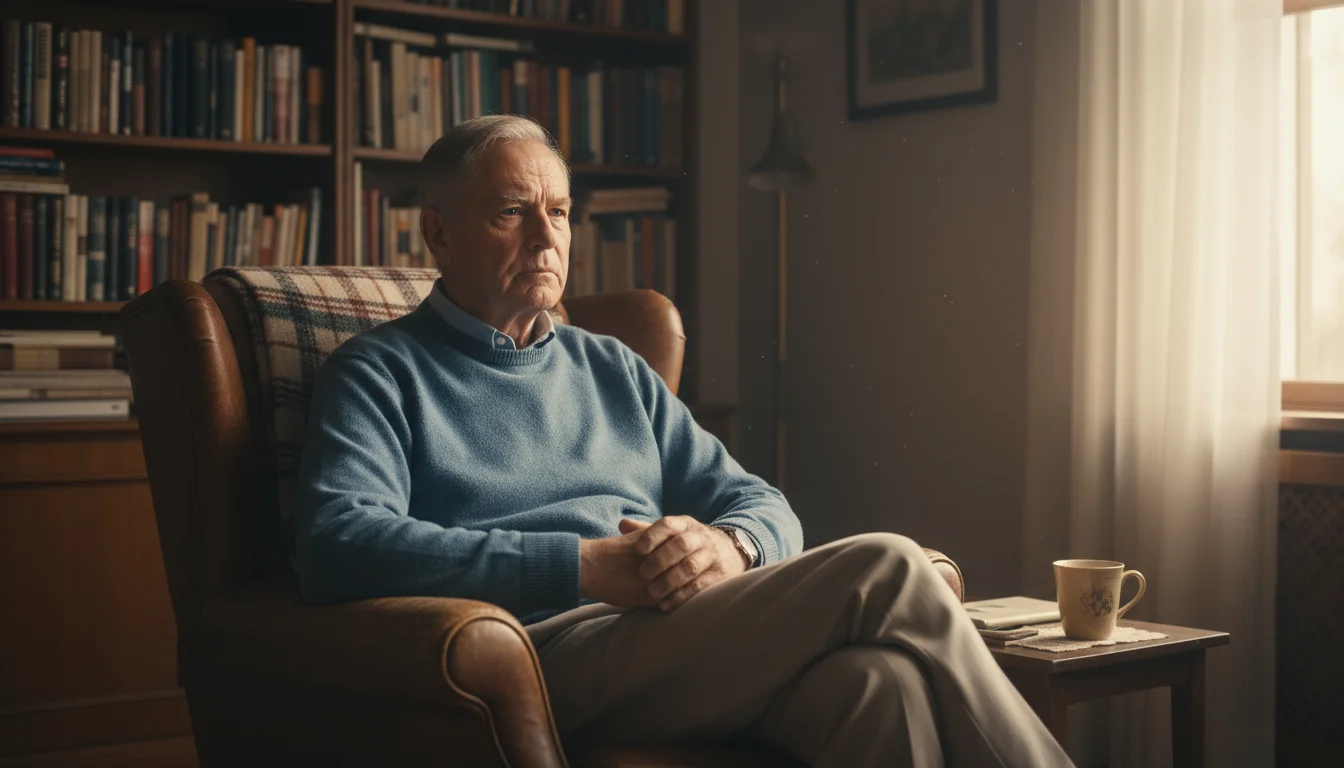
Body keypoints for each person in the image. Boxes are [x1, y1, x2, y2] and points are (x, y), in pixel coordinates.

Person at [294, 114, 1074, 768]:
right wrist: (586, 566)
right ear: (440, 232)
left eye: (559, 212)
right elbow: (339, 543)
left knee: (878, 687)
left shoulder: (609, 365)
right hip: (533, 655)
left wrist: (730, 548)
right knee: (893, 565)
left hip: (674, 636)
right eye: (511, 212)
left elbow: (759, 501)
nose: (546, 237)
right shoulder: (380, 372)